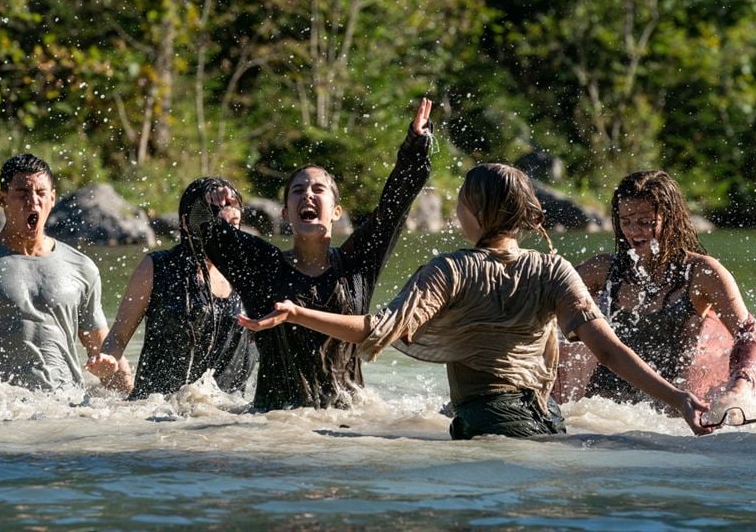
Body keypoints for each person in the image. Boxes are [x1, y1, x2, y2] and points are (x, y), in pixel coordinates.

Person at [238, 163, 709, 439]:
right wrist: (678, 398)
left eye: (462, 202)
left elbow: (380, 328)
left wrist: (298, 313)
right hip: (548, 419)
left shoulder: (451, 270)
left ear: (477, 213)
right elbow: (608, 349)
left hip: (485, 420)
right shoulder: (554, 268)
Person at [194, 98, 433, 411]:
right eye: (298, 190)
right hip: (275, 423)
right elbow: (202, 230)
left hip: (347, 421)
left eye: (318, 189)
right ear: (286, 213)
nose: (307, 193)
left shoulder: (356, 265)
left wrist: (414, 146)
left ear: (336, 212)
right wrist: (213, 198)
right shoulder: (262, 267)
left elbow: (393, 210)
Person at [0, 153, 130, 396]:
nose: (33, 202)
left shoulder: (82, 268)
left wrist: (131, 403)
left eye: (41, 193)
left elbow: (104, 353)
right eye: (22, 193)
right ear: (2, 198)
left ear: (53, 198)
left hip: (65, 411)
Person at [575, 170, 756, 409]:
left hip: (666, 414)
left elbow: (748, 335)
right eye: (625, 221)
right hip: (598, 411)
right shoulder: (602, 269)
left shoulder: (701, 273)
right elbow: (547, 294)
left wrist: (739, 387)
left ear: (670, 219)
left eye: (645, 222)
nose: (633, 232)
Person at [86, 178, 257, 398]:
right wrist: (108, 358)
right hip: (158, 412)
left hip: (227, 416)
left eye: (232, 225)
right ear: (186, 223)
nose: (225, 235)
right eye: (213, 222)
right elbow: (118, 336)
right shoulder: (158, 267)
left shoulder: (249, 274)